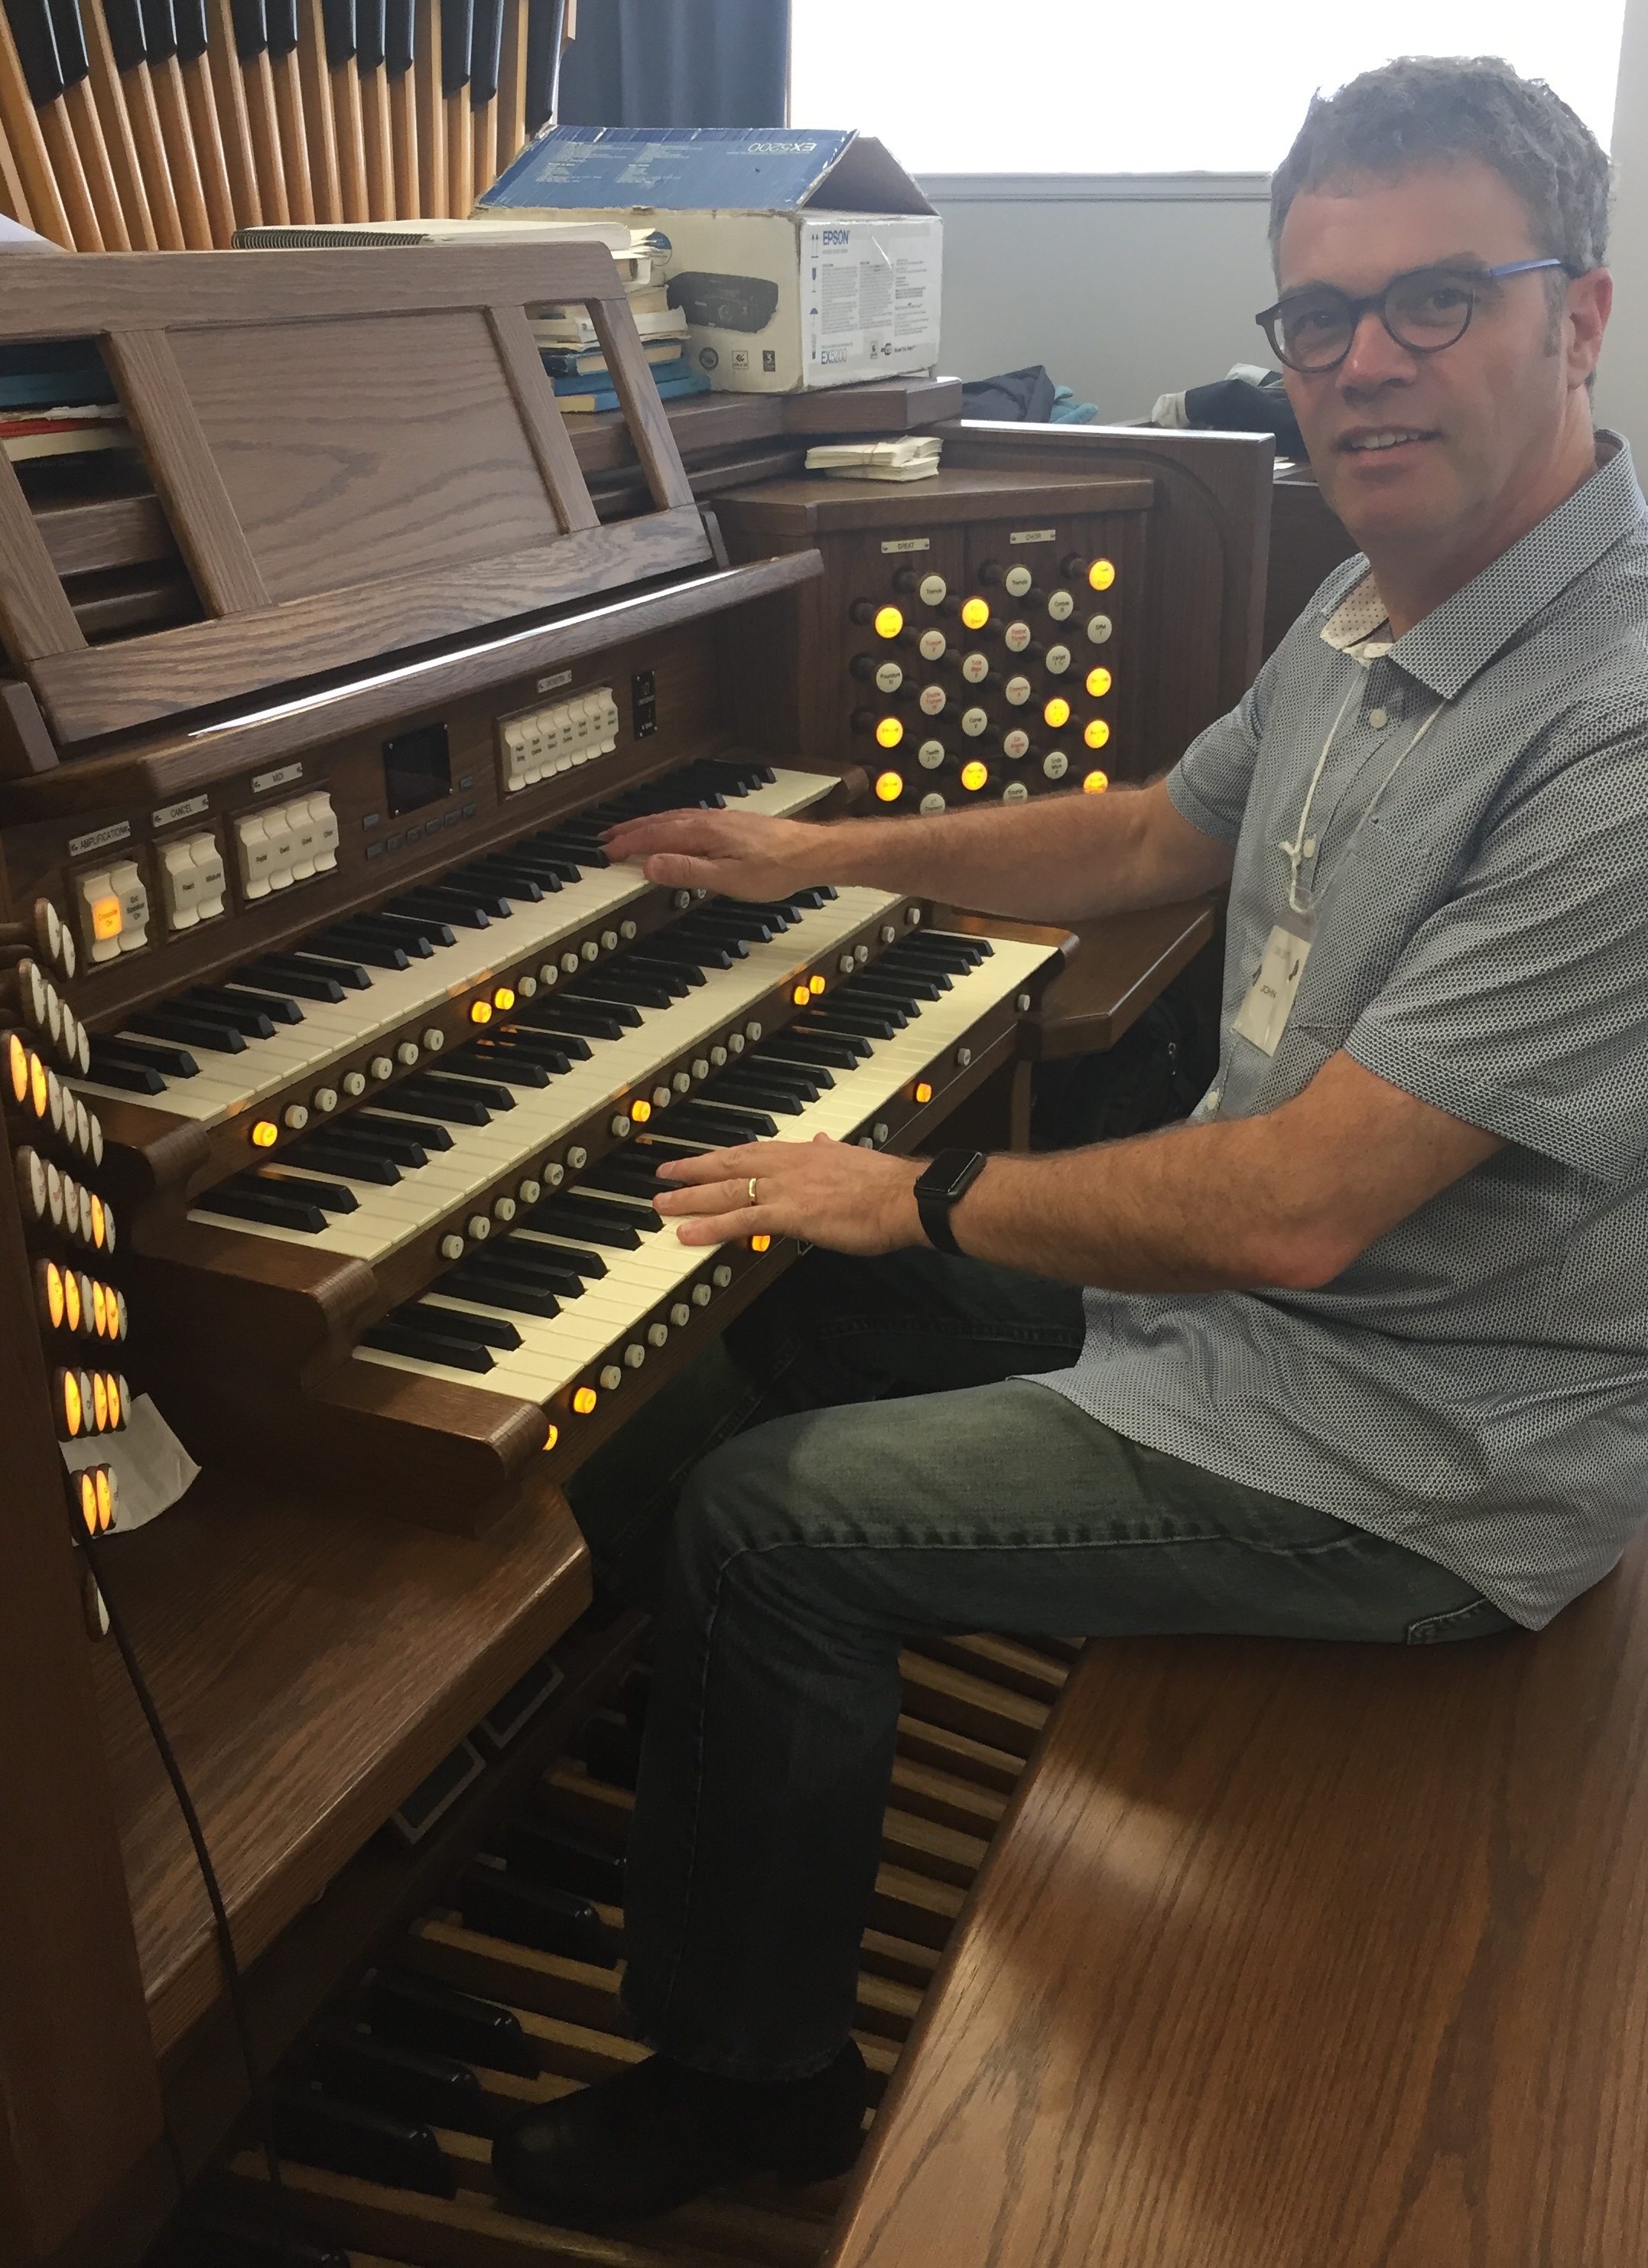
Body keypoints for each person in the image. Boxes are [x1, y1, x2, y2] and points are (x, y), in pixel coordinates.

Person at [496, 54, 1644, 2223]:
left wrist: (915, 1185)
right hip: (1244, 1339)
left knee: (764, 1512)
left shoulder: (1618, 730)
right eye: (1317, 318)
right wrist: (814, 858)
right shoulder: (1373, 589)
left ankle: (753, 2086)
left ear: (1572, 317)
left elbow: (1299, 1212)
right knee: (739, 1326)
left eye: (1435, 302)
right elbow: (1147, 827)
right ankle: (738, 1777)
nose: (1360, 365)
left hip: (1413, 1459)